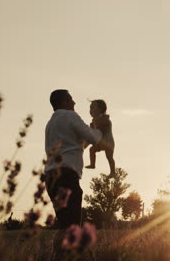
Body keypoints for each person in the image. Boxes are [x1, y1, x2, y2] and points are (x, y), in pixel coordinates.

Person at [44, 89, 104, 260]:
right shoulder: (70, 117)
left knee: (64, 225)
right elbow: (93, 139)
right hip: (67, 176)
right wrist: (98, 130)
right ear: (63, 102)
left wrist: (89, 136)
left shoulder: (50, 124)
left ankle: (57, 257)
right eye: (71, 99)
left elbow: (77, 146)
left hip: (51, 178)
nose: (74, 103)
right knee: (72, 227)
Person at [84, 99, 116, 177]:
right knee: (92, 150)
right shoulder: (94, 121)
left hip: (108, 143)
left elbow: (101, 129)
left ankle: (113, 172)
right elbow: (93, 133)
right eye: (90, 108)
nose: (90, 110)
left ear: (100, 109)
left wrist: (94, 127)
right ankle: (92, 164)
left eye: (92, 108)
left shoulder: (104, 119)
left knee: (109, 157)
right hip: (101, 142)